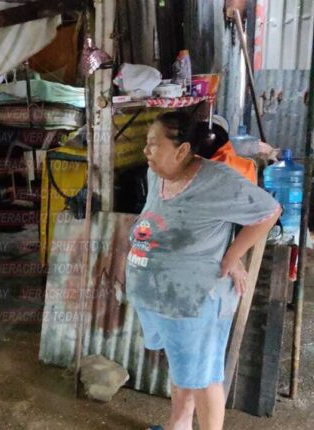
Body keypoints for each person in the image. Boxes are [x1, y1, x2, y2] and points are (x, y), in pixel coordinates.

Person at [126, 111, 281, 430]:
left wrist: (232, 256)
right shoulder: (157, 174)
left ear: (182, 150)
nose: (146, 150)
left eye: (153, 144)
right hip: (159, 296)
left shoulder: (218, 180)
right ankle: (179, 425)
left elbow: (268, 212)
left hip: (195, 300)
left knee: (205, 377)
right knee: (185, 367)